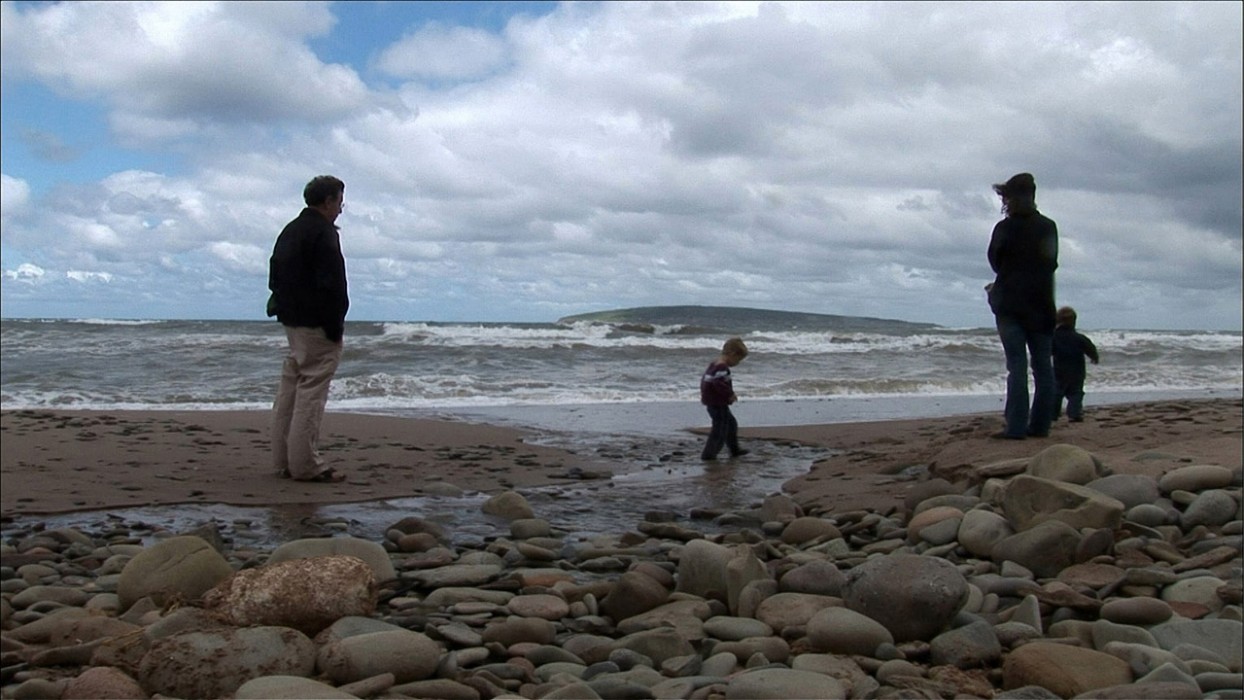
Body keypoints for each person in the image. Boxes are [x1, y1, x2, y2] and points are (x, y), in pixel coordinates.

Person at [267, 175, 350, 482]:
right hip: (316, 323)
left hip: (293, 320)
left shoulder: (291, 230)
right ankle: (305, 464)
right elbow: (333, 285)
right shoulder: (322, 232)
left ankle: (283, 460)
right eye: (339, 202)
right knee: (311, 392)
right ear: (328, 201)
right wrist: (334, 325)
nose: (340, 209)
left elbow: (275, 276)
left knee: (291, 389)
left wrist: (284, 309)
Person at [986, 172, 1058, 440]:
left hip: (1010, 305)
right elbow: (1051, 263)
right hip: (1041, 305)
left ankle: (1016, 426)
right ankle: (1040, 425)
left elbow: (995, 262)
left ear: (1011, 199)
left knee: (1016, 367)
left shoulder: (1004, 228)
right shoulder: (1048, 227)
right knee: (1043, 368)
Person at [700, 337, 750, 460]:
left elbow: (704, 382)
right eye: (738, 360)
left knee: (731, 424)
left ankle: (734, 449)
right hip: (717, 403)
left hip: (714, 402)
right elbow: (718, 383)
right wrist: (730, 394)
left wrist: (705, 396)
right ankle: (709, 454)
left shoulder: (714, 364)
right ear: (732, 354)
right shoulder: (721, 367)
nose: (737, 363)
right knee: (719, 430)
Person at [1052, 306, 1100, 422]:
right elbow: (1090, 348)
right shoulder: (1079, 338)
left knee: (1057, 392)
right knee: (1076, 393)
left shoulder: (1053, 337)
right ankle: (1074, 414)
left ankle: (1053, 413)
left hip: (1059, 370)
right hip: (1077, 371)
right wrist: (1094, 357)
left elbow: (1047, 350)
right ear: (1074, 322)